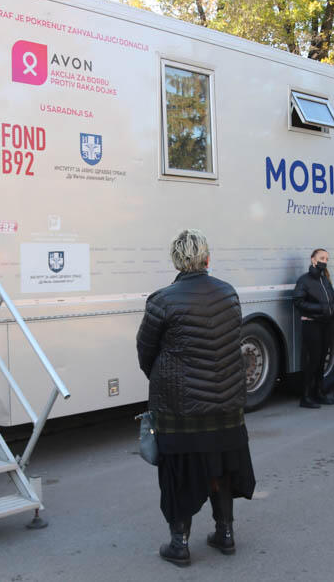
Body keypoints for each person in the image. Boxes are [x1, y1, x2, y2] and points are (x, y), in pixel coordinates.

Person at [136, 229, 256, 567]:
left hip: (180, 407)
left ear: (176, 260)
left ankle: (180, 544)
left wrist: (160, 379)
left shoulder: (162, 300)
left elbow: (146, 352)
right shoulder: (228, 293)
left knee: (178, 473)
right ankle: (226, 534)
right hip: (227, 404)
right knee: (222, 468)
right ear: (206, 258)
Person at [293, 248, 334, 408]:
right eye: (321, 258)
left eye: (327, 259)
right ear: (313, 260)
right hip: (311, 324)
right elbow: (298, 301)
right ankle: (305, 397)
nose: (324, 261)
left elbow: (332, 298)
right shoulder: (304, 280)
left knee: (321, 361)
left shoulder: (325, 280)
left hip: (326, 324)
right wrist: (320, 309)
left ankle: (319, 393)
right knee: (312, 361)